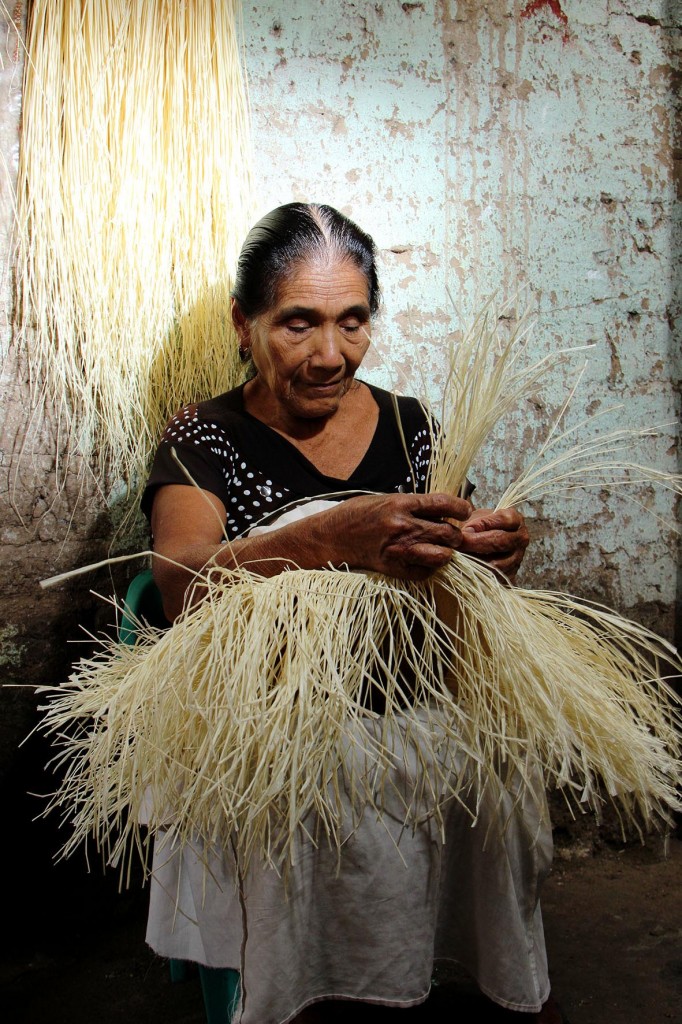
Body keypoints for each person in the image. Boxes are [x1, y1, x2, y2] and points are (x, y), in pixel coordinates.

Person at [141, 203, 561, 1023]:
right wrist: (332, 535)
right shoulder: (205, 437)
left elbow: (453, 583)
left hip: (415, 692)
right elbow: (183, 590)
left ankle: (451, 970)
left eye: (353, 322)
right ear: (244, 322)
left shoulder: (411, 424)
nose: (330, 355)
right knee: (319, 782)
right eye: (297, 323)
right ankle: (293, 990)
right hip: (272, 717)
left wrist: (492, 559)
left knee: (502, 774)